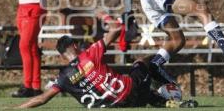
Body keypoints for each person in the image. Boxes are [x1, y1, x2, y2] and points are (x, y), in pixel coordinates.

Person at [13, 10, 189, 109]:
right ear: (74, 46)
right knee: (142, 61)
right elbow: (116, 29)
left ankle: (163, 100)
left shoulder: (63, 77)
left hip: (118, 105)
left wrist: (17, 109)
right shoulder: (90, 53)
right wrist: (104, 15)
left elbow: (42, 99)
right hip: (131, 91)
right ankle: (160, 77)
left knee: (137, 86)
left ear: (61, 55)